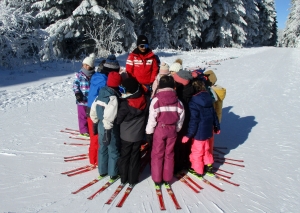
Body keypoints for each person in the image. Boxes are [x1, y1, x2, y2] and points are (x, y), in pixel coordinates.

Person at [145, 75, 185, 189]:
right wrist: (177, 128)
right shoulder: (178, 101)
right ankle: (167, 178)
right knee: (169, 154)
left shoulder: (156, 100)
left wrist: (149, 132)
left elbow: (152, 118)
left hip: (160, 129)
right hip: (172, 129)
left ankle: (157, 179)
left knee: (157, 154)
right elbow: (181, 117)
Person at [86, 54, 121, 166]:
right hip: (98, 111)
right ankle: (97, 162)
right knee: (99, 138)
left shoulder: (97, 76)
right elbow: (110, 92)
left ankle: (93, 159)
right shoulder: (105, 81)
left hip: (90, 109)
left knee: (94, 136)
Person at [181, 80, 220, 178]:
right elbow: (214, 115)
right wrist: (216, 126)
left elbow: (194, 121)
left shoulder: (193, 102)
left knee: (197, 152)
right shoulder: (209, 99)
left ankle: (197, 170)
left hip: (199, 134)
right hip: (208, 132)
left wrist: (188, 135)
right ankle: (209, 167)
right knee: (206, 150)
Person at [116, 77, 149, 187]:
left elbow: (118, 119)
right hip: (138, 134)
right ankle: (132, 179)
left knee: (125, 156)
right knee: (135, 156)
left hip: (125, 135)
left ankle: (123, 177)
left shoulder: (126, 103)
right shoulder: (145, 99)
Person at [90, 72, 122, 180]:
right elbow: (109, 115)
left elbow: (93, 109)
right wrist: (108, 130)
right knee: (113, 149)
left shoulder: (100, 94)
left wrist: (95, 122)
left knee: (102, 148)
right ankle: (113, 172)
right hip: (109, 128)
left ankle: (102, 170)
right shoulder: (112, 98)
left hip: (100, 125)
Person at [172, 69, 196, 174]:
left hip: (182, 122)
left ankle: (178, 166)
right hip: (188, 122)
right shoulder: (190, 89)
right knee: (185, 144)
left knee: (178, 145)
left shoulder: (181, 93)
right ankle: (186, 162)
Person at [72, 53, 95, 137]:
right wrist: (77, 93)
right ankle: (83, 130)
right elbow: (75, 85)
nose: (85, 66)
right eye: (84, 65)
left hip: (91, 99)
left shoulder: (94, 75)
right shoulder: (79, 75)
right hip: (81, 99)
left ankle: (90, 129)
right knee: (82, 115)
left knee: (91, 115)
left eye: (87, 65)